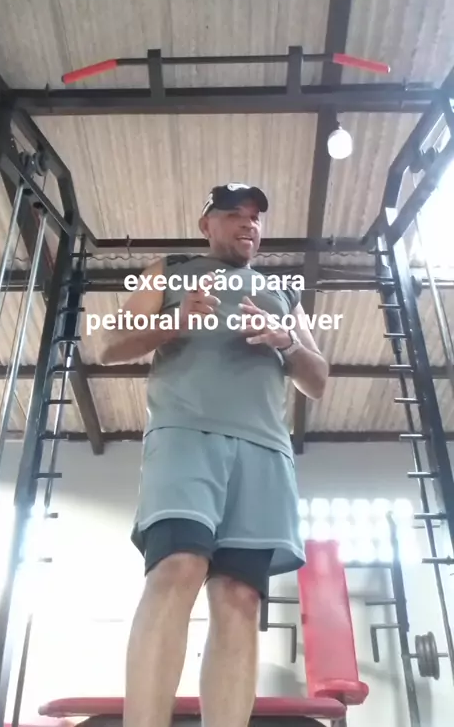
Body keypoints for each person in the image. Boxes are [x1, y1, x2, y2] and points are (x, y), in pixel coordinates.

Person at [100, 183, 329, 727]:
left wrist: (285, 341)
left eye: (255, 218)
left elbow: (318, 379)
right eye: (233, 214)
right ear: (207, 224)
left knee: (239, 599)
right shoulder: (169, 270)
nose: (248, 224)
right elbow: (109, 345)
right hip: (186, 435)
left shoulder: (283, 292)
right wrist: (174, 322)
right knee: (177, 569)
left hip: (264, 451)